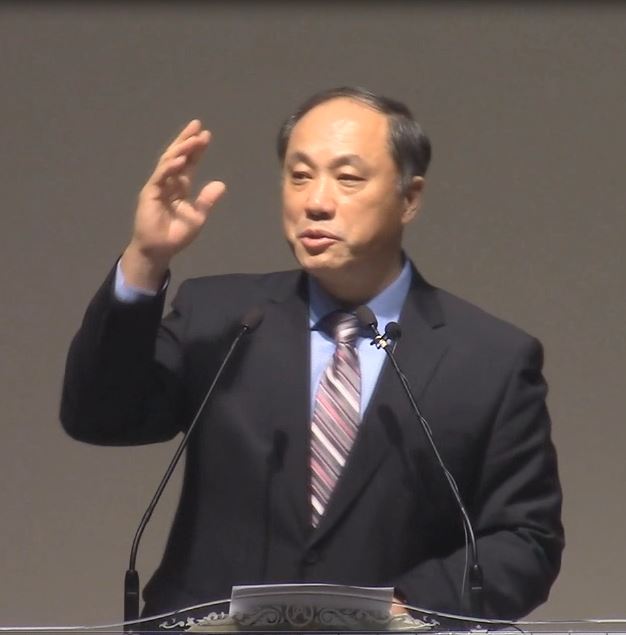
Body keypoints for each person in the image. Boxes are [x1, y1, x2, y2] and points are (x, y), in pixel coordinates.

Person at [60, 86, 564, 622]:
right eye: (299, 176)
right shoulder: (222, 317)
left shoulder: (489, 358)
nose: (315, 202)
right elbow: (99, 416)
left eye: (347, 178)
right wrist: (145, 259)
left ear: (409, 198)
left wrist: (399, 610)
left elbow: (526, 539)